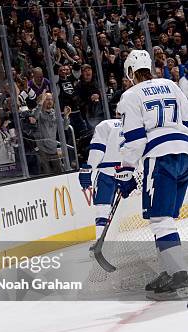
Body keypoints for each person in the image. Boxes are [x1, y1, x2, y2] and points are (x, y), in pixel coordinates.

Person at [115, 50, 188, 299]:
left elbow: (135, 140)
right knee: (167, 218)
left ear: (129, 73)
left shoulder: (130, 95)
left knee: (159, 219)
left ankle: (179, 274)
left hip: (160, 157)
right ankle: (169, 270)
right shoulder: (171, 85)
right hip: (185, 155)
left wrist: (125, 170)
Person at [79, 117, 123, 248]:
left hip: (107, 173)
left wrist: (89, 168)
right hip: (128, 171)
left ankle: (100, 241)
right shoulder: (135, 123)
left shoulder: (106, 124)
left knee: (102, 208)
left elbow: (98, 149)